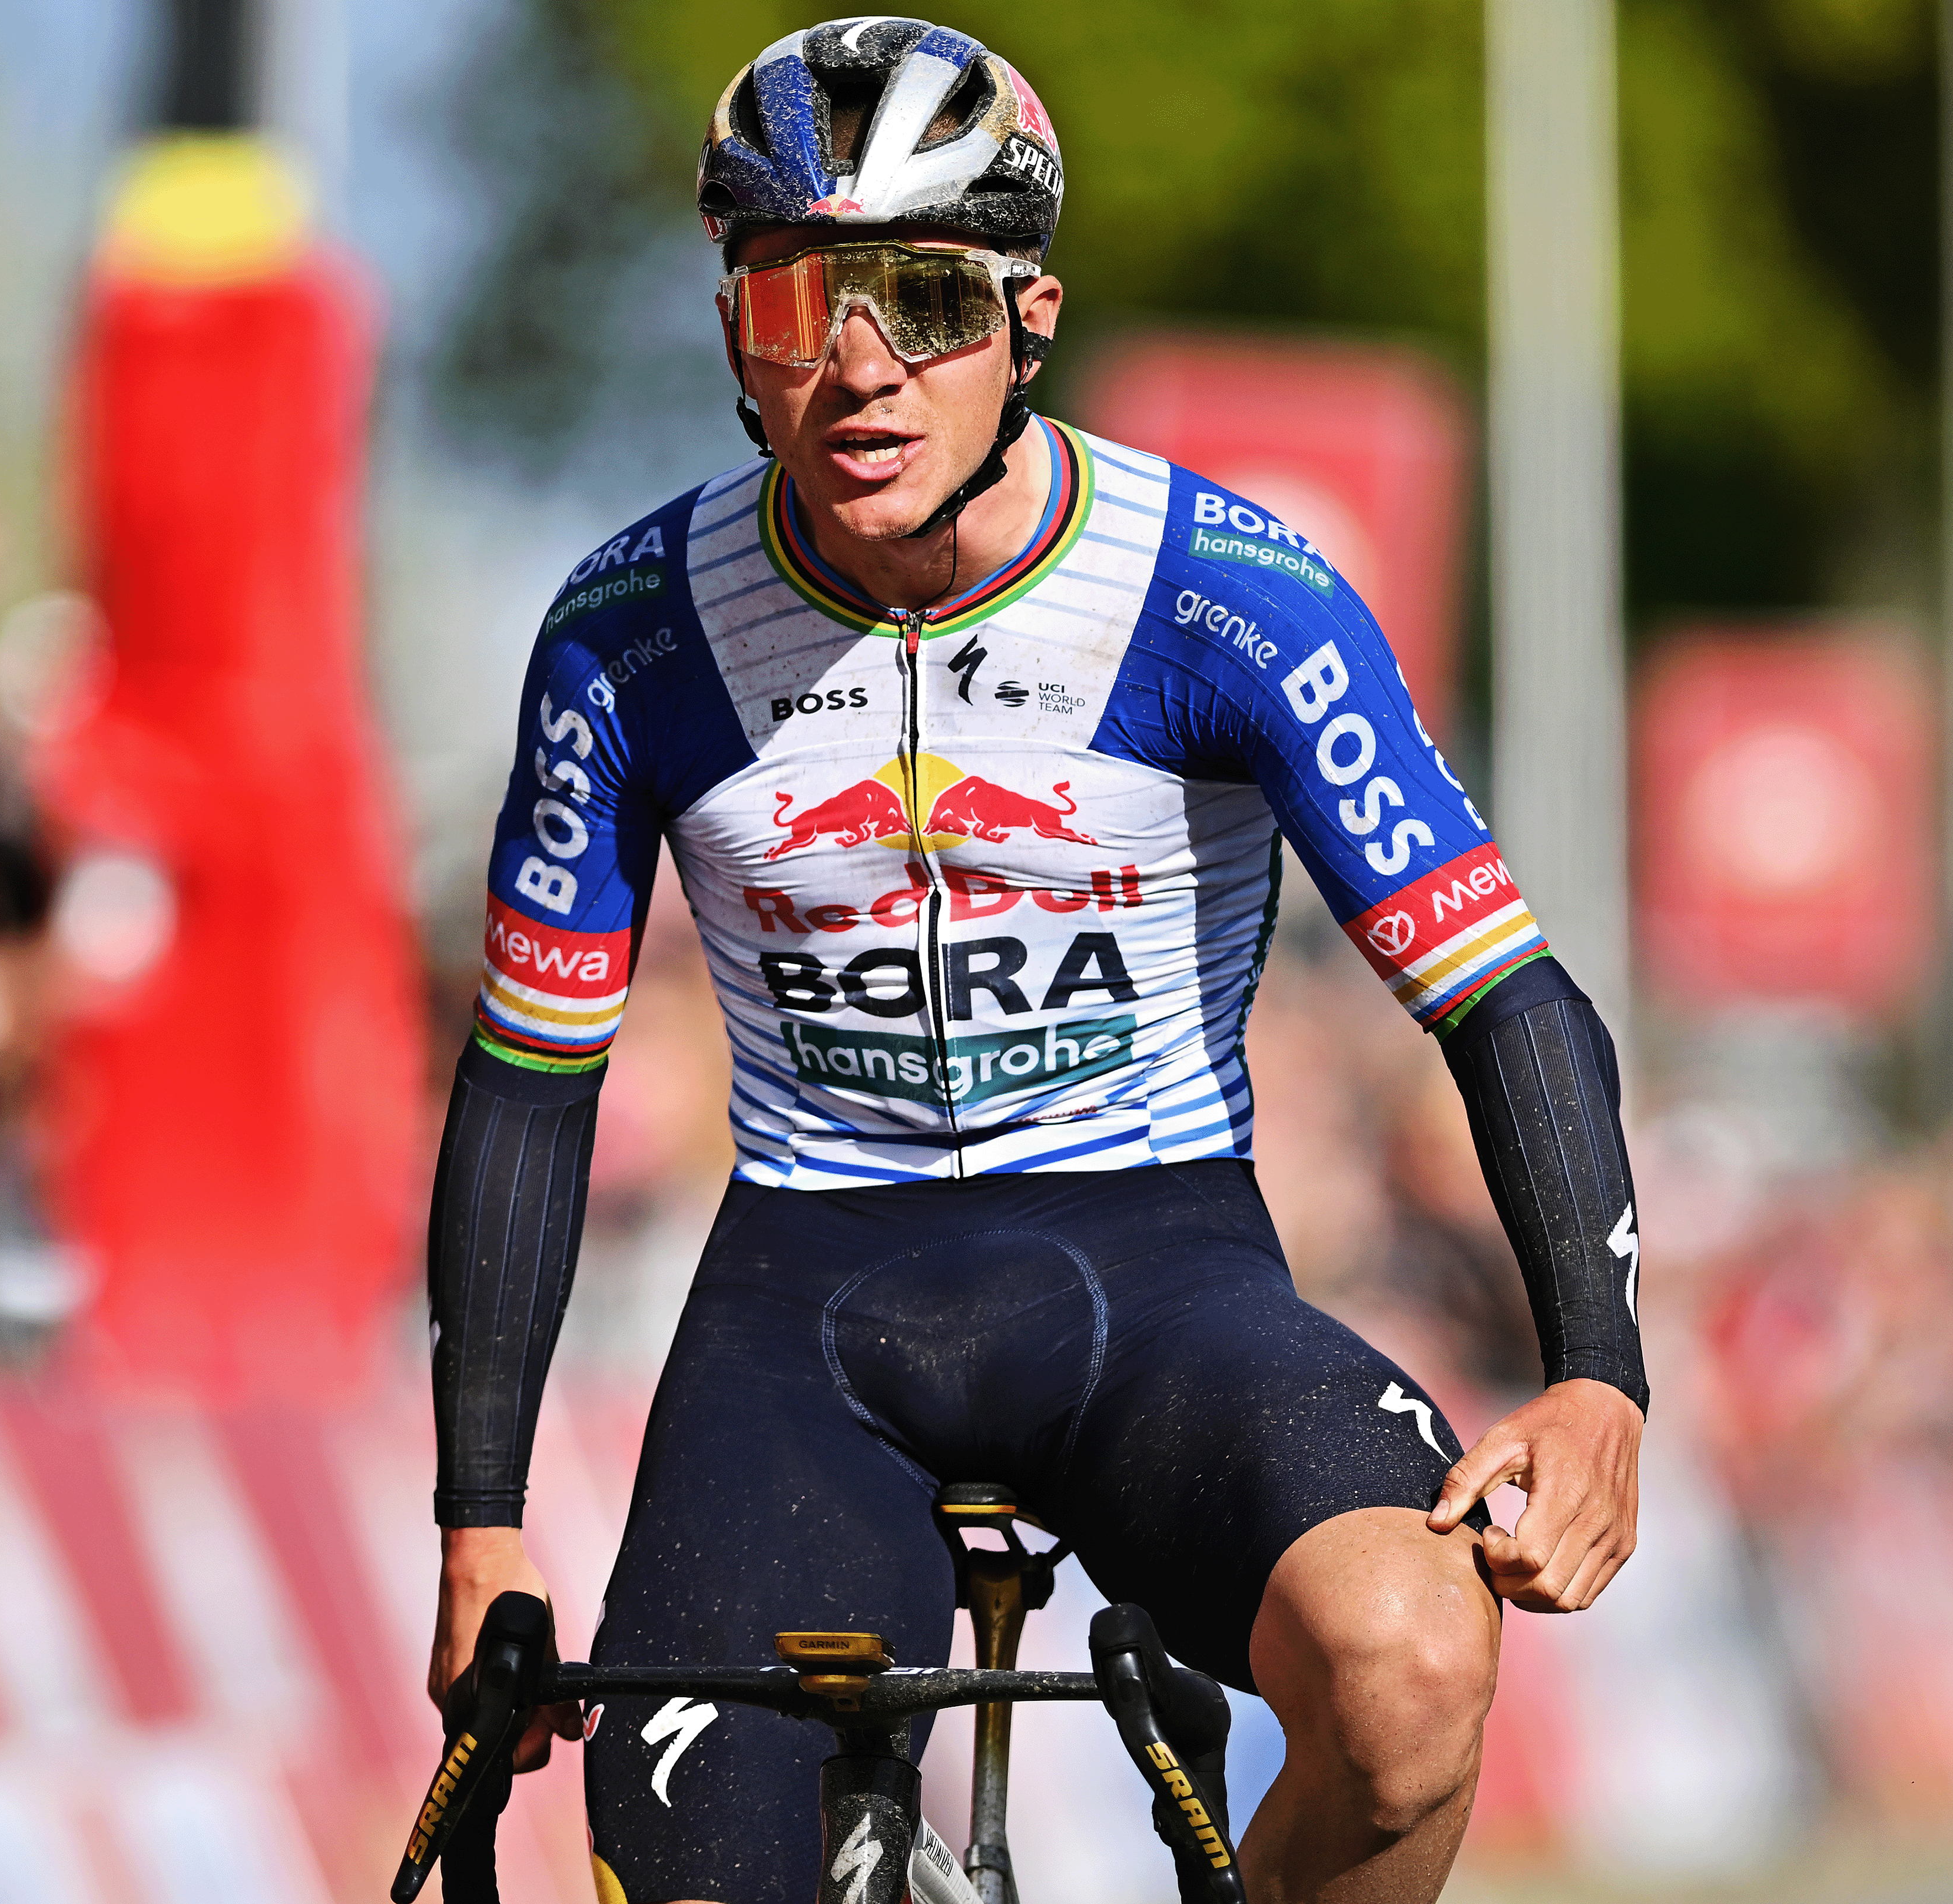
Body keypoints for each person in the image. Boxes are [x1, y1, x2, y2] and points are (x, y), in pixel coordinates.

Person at [425, 21, 1646, 1904]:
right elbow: (527, 1080)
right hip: (803, 1315)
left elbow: (1499, 994)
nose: (854, 365)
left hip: (1156, 1276)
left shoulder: (1226, 594)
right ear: (730, 322)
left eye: (920, 298)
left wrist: (1597, 1372)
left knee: (1407, 1669)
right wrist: (481, 1526)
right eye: (786, 297)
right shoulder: (626, 632)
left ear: (1030, 318)